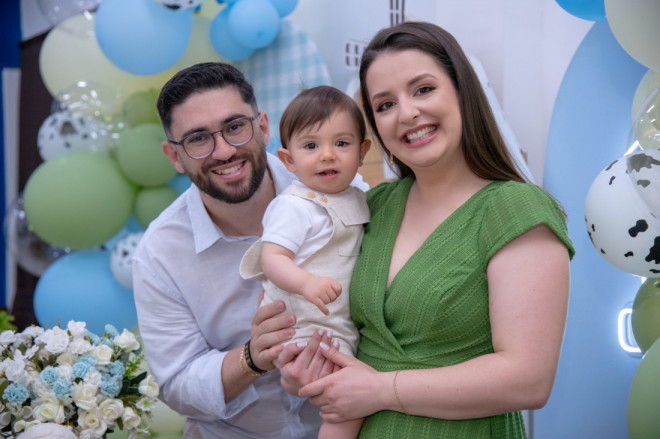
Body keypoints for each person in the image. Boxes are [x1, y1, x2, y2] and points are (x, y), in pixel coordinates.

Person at [280, 21, 575, 438]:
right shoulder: (373, 207)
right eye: (384, 105)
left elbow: (528, 379)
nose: (407, 113)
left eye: (423, 89)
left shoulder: (516, 209)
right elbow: (345, 334)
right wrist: (303, 370)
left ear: (462, 91)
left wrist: (381, 389)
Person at [132, 62, 358, 438]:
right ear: (174, 156)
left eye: (235, 127)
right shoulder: (159, 254)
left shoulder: (338, 190)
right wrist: (251, 358)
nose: (223, 151)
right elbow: (176, 385)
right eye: (198, 139)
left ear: (263, 127)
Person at [240, 85, 371, 438]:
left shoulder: (361, 196)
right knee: (345, 409)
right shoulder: (294, 206)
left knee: (349, 400)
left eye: (341, 143)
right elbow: (272, 259)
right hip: (306, 328)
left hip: (337, 324)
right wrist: (306, 283)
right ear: (289, 160)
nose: (327, 155)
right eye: (311, 146)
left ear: (363, 152)